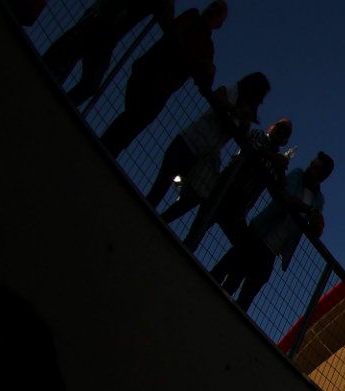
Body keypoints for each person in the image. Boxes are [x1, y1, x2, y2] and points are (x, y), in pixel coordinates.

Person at [98, 1, 225, 157]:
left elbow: (206, 80)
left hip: (160, 89)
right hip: (149, 74)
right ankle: (103, 150)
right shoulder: (192, 18)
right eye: (213, 6)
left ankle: (104, 151)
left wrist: (208, 70)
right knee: (132, 120)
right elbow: (177, 30)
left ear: (219, 24)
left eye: (218, 12)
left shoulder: (207, 47)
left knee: (132, 122)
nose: (213, 11)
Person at [218, 151, 332, 310]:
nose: (311, 168)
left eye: (316, 168)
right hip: (258, 235)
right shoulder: (297, 176)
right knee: (233, 275)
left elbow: (313, 225)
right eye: (312, 164)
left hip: (273, 249)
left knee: (250, 291)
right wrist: (310, 211)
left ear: (323, 175)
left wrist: (316, 224)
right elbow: (289, 198)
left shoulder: (318, 199)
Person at [147, 70, 269, 213]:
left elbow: (245, 137)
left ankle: (163, 218)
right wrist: (233, 110)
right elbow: (218, 94)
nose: (260, 100)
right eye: (260, 94)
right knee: (162, 184)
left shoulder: (245, 114)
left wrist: (246, 122)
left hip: (203, 156)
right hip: (189, 142)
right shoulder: (232, 91)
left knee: (196, 195)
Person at [186, 116, 291, 255]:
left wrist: (281, 169)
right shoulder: (259, 135)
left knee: (243, 246)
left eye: (285, 132)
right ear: (271, 127)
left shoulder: (277, 163)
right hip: (226, 188)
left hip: (240, 204)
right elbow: (253, 146)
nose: (280, 132)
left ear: (285, 141)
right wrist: (275, 160)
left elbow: (279, 187)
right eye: (280, 128)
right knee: (199, 222)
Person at [45, 0, 174, 107]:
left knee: (90, 84)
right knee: (64, 60)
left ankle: (56, 106)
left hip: (107, 34)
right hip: (99, 21)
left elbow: (167, 17)